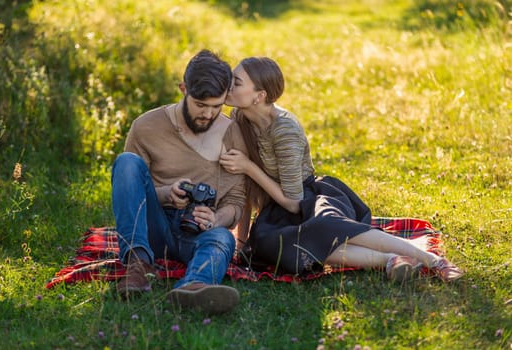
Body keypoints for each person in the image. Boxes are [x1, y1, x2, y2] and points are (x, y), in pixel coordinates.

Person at [219, 56, 463, 282]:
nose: (229, 85)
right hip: (276, 208)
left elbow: (294, 202)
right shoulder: (240, 118)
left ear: (258, 96)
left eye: (236, 82)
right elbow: (246, 185)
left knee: (325, 226)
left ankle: (434, 261)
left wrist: (249, 167)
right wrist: (242, 241)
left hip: (308, 198)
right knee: (269, 246)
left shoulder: (284, 130)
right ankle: (391, 261)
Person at [111, 49, 247, 313]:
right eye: (200, 105)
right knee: (126, 161)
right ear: (184, 89)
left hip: (197, 233)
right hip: (153, 228)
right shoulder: (146, 126)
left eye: (217, 106)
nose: (208, 115)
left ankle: (193, 287)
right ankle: (137, 265)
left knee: (222, 238)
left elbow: (236, 201)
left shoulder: (231, 133)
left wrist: (216, 219)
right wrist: (166, 194)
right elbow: (131, 186)